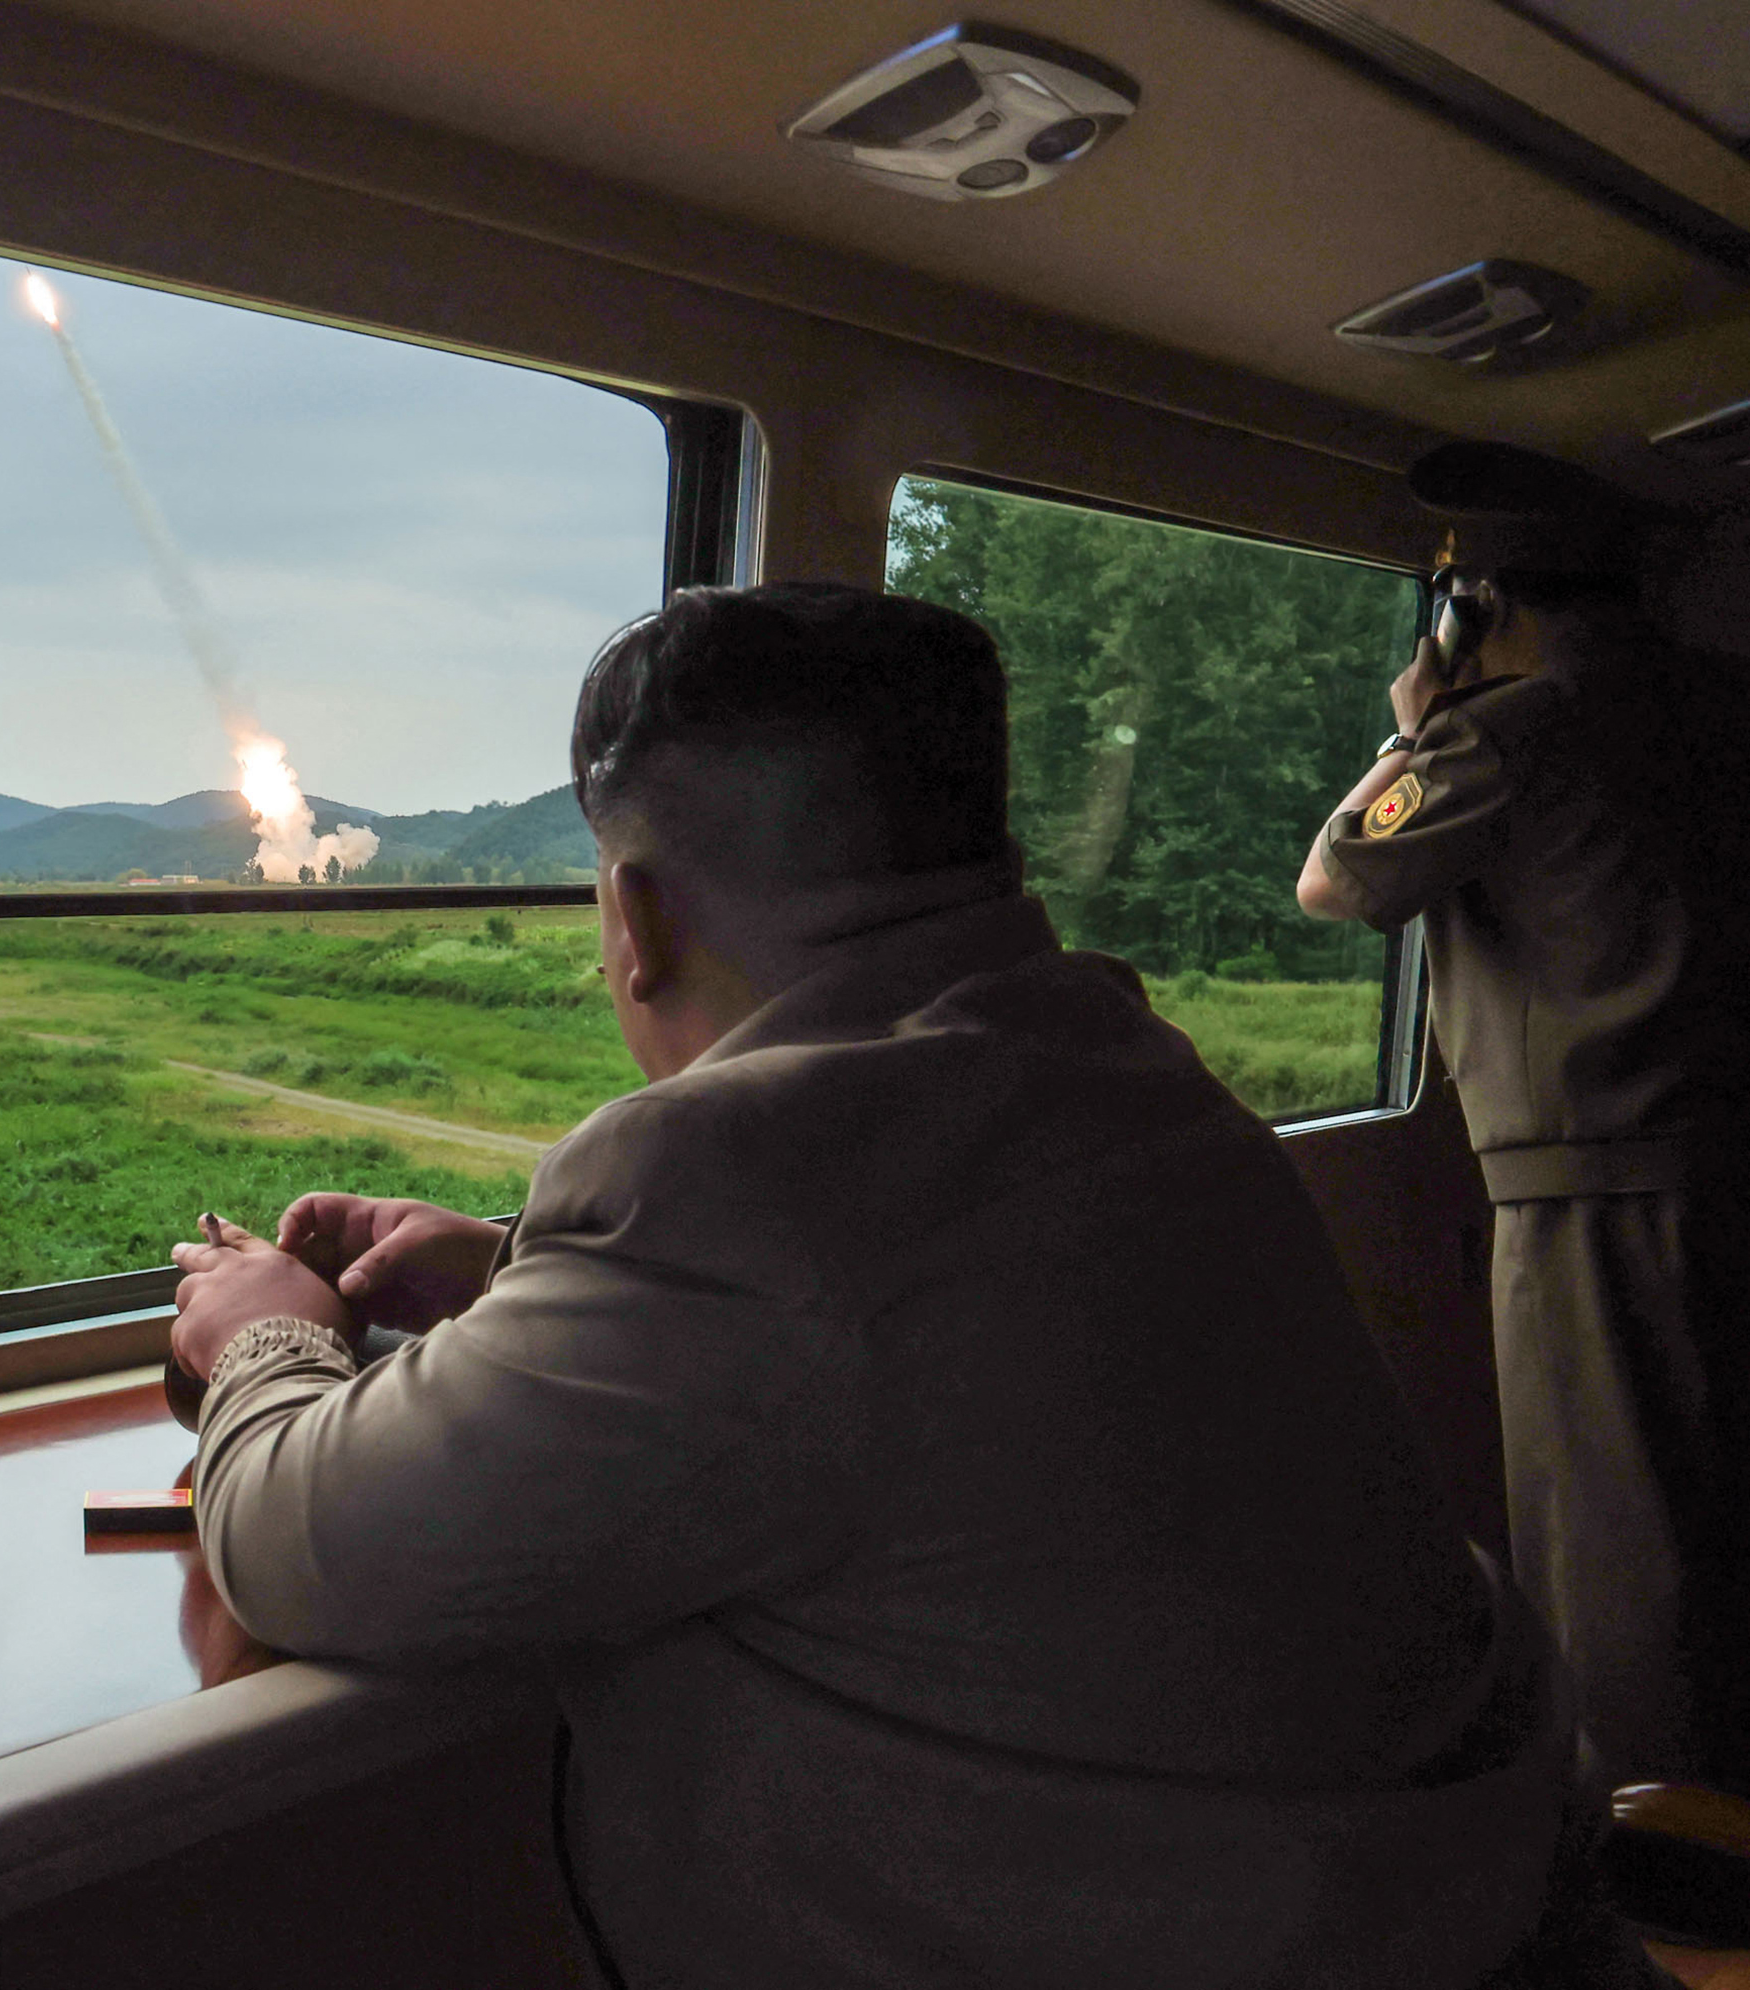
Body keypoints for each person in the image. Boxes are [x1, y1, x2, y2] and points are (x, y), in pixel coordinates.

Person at [165, 582, 1605, 1988]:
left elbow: (310, 1543)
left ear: (635, 914)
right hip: (1469, 1895)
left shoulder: (735, 1174)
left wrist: (264, 1329)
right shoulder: (1117, 1068)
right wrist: (515, 1276)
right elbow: (892, 1340)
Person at [1298, 442, 1750, 1799]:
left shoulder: (1511, 732)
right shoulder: (1725, 704)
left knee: (1617, 1563)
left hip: (1593, 1201)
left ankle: (1664, 1873)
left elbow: (1336, 877)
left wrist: (1416, 720)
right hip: (1723, 1167)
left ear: (1476, 606)